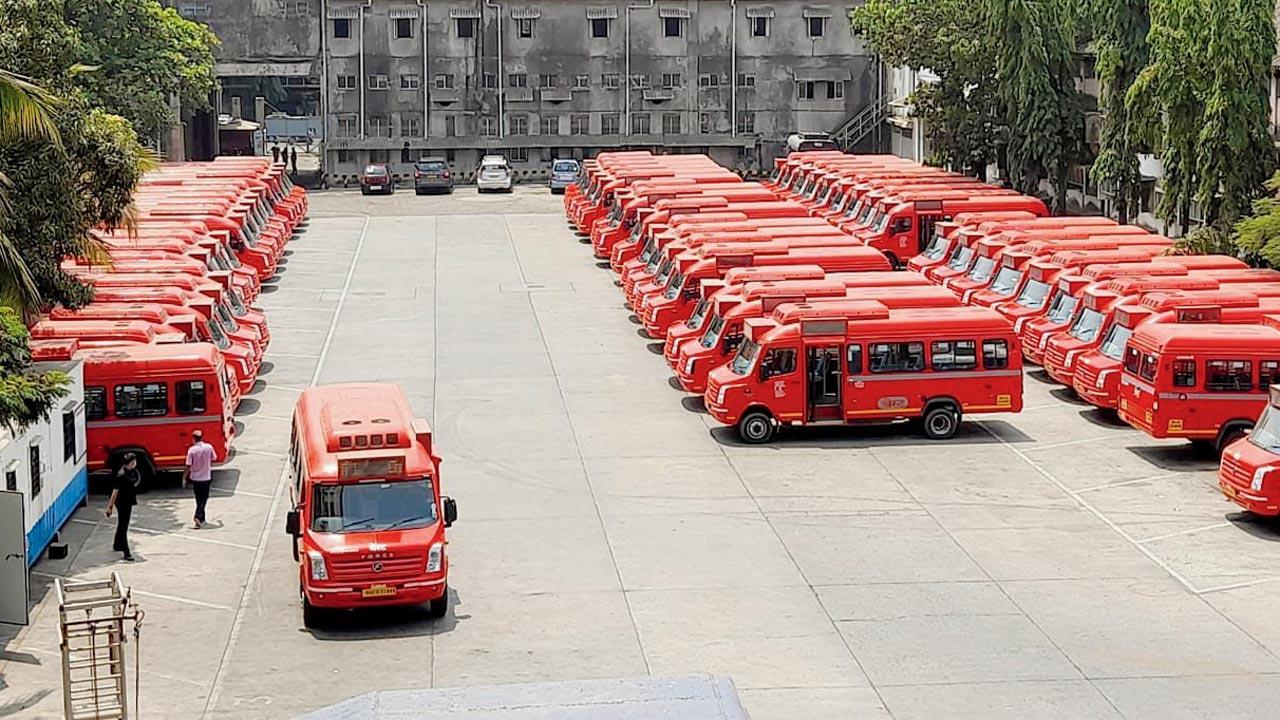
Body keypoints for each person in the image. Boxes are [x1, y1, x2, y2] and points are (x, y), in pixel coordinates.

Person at [105, 453, 140, 561]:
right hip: (122, 503)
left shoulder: (131, 472)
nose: (135, 464)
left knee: (122, 524)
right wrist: (109, 507)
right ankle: (126, 552)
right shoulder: (121, 475)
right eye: (133, 462)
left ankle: (117, 544)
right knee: (123, 526)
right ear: (129, 463)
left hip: (128, 501)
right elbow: (114, 492)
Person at [182, 430, 217, 528]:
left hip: (195, 478)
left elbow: (188, 465)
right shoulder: (209, 447)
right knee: (204, 498)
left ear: (193, 439)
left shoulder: (191, 450)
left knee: (198, 499)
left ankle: (201, 519)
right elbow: (214, 458)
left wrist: (184, 477)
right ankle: (198, 516)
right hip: (206, 477)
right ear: (202, 438)